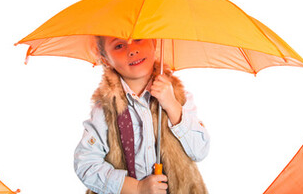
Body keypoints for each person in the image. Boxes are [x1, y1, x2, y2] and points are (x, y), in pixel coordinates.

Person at [74, 37, 210, 194]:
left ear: (154, 42)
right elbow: (85, 164)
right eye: (119, 45)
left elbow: (200, 151)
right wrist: (136, 188)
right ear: (106, 60)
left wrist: (172, 105)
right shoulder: (106, 110)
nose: (132, 50)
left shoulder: (179, 98)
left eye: (138, 39)